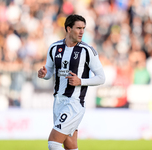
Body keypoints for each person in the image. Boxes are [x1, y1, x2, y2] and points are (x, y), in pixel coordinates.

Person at [38, 14, 105, 150]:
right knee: (70, 146)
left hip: (74, 103)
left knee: (53, 143)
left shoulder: (87, 51)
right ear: (68, 29)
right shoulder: (54, 48)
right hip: (58, 102)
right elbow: (49, 72)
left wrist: (81, 81)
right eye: (78, 28)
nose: (82, 32)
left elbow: (101, 77)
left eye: (83, 28)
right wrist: (44, 74)